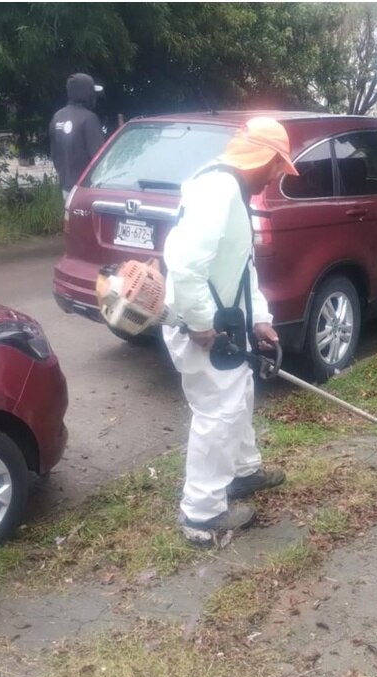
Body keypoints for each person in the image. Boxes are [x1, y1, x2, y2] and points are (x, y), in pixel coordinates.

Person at [162, 116, 300, 546]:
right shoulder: (218, 190)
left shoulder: (233, 191)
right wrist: (202, 322)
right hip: (201, 323)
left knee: (238, 395)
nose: (278, 175)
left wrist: (259, 318)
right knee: (218, 413)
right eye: (278, 165)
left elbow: (242, 268)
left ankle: (243, 471)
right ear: (264, 158)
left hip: (226, 320)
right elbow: (184, 266)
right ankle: (201, 514)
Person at [49, 73, 105, 200]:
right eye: (92, 93)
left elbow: (54, 153)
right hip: (87, 189)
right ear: (86, 94)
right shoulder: (89, 118)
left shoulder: (57, 117)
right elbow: (98, 157)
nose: (94, 97)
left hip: (66, 186)